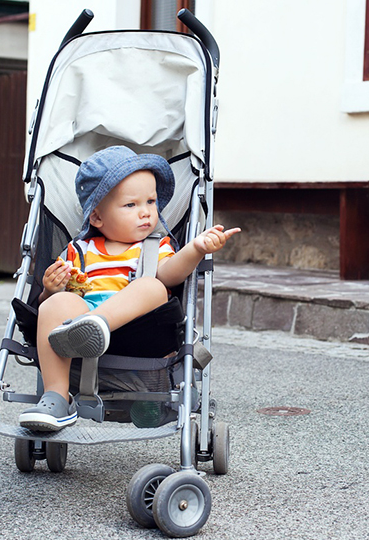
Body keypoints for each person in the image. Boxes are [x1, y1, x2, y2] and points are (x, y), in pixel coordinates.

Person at [19, 145, 240, 431]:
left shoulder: (154, 246)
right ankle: (56, 398)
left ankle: (95, 324)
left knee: (153, 286)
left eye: (150, 201)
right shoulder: (79, 250)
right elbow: (52, 301)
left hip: (138, 331)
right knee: (52, 305)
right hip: (76, 332)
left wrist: (195, 249)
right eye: (131, 205)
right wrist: (50, 289)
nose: (146, 212)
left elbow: (171, 274)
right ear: (97, 218)